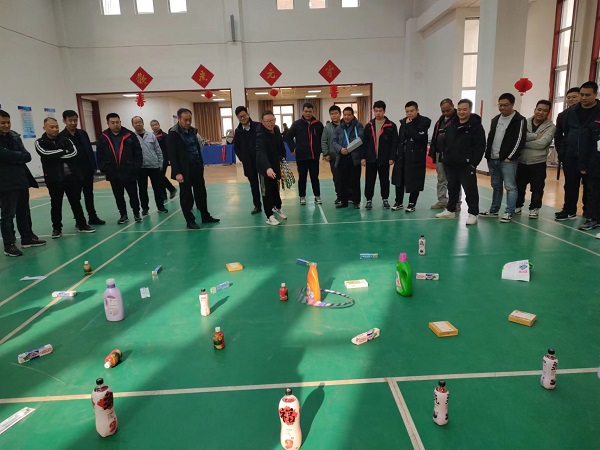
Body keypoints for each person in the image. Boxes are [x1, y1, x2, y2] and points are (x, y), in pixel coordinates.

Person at [35, 117, 95, 237]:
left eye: (56, 126)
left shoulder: (66, 139)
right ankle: (57, 228)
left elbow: (73, 153)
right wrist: (63, 151)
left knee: (75, 202)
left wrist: (57, 154)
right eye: (52, 127)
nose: (55, 129)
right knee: (56, 204)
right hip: (53, 178)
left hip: (70, 177)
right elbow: (45, 154)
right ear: (44, 128)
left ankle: (82, 224)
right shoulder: (40, 142)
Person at [0, 109, 46, 256]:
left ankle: (27, 238)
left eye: (8, 122)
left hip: (21, 180)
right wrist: (16, 156)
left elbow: (27, 156)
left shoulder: (14, 137)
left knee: (24, 211)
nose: (6, 125)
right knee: (8, 215)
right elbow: (3, 154)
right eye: (2, 123)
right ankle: (9, 244)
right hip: (5, 184)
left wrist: (13, 157)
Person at [554, 81, 600, 221]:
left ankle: (590, 214)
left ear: (595, 94)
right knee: (570, 185)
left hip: (594, 158)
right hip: (571, 156)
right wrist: (562, 153)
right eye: (582, 94)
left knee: (592, 187)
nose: (584, 97)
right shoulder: (568, 113)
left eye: (587, 95)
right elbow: (559, 135)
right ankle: (569, 210)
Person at [435, 99, 486, 225]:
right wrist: (446, 158)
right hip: (451, 164)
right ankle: (450, 210)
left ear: (470, 110)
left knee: (470, 190)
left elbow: (480, 146)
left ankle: (473, 213)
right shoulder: (452, 125)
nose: (462, 112)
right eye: (460, 109)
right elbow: (447, 142)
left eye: (465, 109)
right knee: (452, 188)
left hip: (466, 165)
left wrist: (473, 163)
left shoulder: (476, 126)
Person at [168, 108, 219, 229]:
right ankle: (190, 221)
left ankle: (205, 216)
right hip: (184, 169)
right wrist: (177, 172)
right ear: (179, 119)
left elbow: (197, 148)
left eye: (190, 120)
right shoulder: (173, 133)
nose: (188, 122)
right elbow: (172, 155)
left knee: (201, 193)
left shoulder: (193, 131)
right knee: (186, 196)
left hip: (197, 167)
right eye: (185, 120)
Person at [480, 93, 527, 223]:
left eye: (505, 105)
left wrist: (510, 157)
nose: (502, 108)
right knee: (496, 186)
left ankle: (509, 212)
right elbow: (490, 138)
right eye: (500, 105)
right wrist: (488, 155)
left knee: (510, 187)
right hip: (493, 158)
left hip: (508, 160)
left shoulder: (519, 120)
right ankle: (494, 210)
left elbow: (520, 140)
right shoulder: (495, 119)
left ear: (512, 104)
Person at [96, 113, 143, 224]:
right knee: (118, 196)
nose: (116, 124)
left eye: (117, 122)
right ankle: (123, 215)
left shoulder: (130, 135)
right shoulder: (103, 137)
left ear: (120, 122)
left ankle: (136, 213)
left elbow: (138, 152)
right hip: (113, 173)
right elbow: (100, 154)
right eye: (113, 123)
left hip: (129, 171)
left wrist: (136, 167)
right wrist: (104, 168)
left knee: (133, 195)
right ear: (108, 123)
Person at [60, 110, 105, 225]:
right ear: (64, 121)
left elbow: (88, 150)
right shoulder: (61, 137)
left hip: (87, 170)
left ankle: (92, 216)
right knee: (75, 197)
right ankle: (79, 219)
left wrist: (93, 166)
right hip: (73, 172)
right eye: (70, 120)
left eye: (75, 120)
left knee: (89, 194)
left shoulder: (82, 133)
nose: (73, 123)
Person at [515, 100, 555, 219]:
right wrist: (534, 137)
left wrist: (523, 143)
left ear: (548, 112)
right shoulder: (523, 122)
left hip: (538, 162)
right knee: (519, 186)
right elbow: (517, 138)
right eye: (539, 109)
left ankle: (534, 208)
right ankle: (517, 206)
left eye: (545, 111)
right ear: (535, 109)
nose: (541, 112)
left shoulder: (551, 127)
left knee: (537, 188)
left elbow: (542, 144)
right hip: (521, 161)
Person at [391, 101, 431, 212]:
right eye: (407, 111)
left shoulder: (424, 122)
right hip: (402, 157)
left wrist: (410, 125)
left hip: (416, 158)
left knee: (414, 180)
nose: (409, 113)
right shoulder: (403, 122)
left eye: (412, 111)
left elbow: (418, 137)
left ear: (417, 110)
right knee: (399, 180)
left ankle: (412, 203)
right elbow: (399, 140)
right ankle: (398, 202)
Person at [285, 103, 324, 205]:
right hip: (301, 157)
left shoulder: (318, 125)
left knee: (315, 177)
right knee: (302, 177)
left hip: (314, 157)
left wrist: (321, 150)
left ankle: (317, 195)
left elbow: (323, 139)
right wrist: (294, 148)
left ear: (313, 112)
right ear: (303, 111)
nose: (308, 113)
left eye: (310, 111)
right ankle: (302, 196)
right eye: (306, 111)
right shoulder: (297, 124)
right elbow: (288, 137)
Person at [361, 100, 397, 210]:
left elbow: (394, 143)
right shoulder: (369, 126)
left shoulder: (391, 126)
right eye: (376, 111)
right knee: (369, 180)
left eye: (380, 111)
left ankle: (385, 199)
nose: (378, 113)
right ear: (373, 111)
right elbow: (364, 143)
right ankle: (369, 200)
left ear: (384, 111)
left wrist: (392, 157)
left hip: (384, 159)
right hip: (371, 159)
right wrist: (363, 157)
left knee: (384, 180)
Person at [429, 98, 462, 210]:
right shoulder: (440, 120)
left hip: (453, 155)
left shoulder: (458, 119)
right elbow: (435, 136)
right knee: (441, 179)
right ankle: (442, 200)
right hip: (440, 154)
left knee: (454, 180)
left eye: (448, 110)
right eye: (443, 111)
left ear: (453, 106)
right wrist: (433, 151)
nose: (445, 113)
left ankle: (456, 203)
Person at [256, 110, 288, 226]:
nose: (270, 123)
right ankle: (269, 216)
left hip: (275, 165)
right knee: (266, 192)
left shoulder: (277, 129)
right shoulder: (260, 135)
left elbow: (280, 145)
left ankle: (277, 207)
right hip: (265, 168)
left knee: (275, 189)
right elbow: (261, 153)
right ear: (262, 122)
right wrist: (267, 168)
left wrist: (283, 158)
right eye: (267, 121)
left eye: (272, 120)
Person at [131, 116, 167, 215]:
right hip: (140, 168)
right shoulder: (132, 137)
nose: (138, 124)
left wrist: (160, 163)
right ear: (132, 125)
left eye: (139, 122)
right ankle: (145, 208)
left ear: (143, 123)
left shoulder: (151, 136)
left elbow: (158, 150)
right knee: (142, 189)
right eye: (135, 122)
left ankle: (161, 206)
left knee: (158, 188)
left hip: (154, 166)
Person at [332, 107, 364, 209]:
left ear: (353, 115)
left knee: (355, 180)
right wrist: (340, 149)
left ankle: (356, 201)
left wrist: (350, 148)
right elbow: (333, 142)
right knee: (343, 181)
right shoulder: (339, 128)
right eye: (345, 115)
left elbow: (361, 138)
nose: (347, 117)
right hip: (342, 157)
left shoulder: (358, 126)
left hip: (354, 157)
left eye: (349, 115)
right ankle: (344, 201)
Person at [232, 106, 262, 214]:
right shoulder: (238, 131)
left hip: (261, 161)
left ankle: (270, 205)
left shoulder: (258, 126)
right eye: (240, 117)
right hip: (249, 164)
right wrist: (243, 158)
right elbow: (236, 147)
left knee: (265, 185)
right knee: (254, 186)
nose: (243, 118)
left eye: (244, 115)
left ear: (248, 114)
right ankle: (257, 206)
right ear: (238, 118)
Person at [579, 99, 600, 233]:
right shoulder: (595, 119)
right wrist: (583, 164)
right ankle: (593, 218)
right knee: (593, 192)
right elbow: (585, 144)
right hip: (595, 164)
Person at [150, 119, 177, 201]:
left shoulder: (164, 135)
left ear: (159, 125)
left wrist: (169, 159)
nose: (154, 126)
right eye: (152, 125)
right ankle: (164, 195)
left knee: (160, 176)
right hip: (155, 160)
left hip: (164, 159)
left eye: (156, 125)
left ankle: (172, 189)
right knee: (159, 177)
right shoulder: (151, 136)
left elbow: (168, 148)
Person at [321, 105, 342, 204]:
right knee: (336, 177)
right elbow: (324, 141)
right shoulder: (327, 127)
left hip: (346, 155)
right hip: (333, 156)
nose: (334, 115)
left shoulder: (345, 125)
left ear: (340, 114)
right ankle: (339, 196)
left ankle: (349, 196)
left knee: (348, 177)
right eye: (332, 114)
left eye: (336, 113)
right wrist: (326, 153)